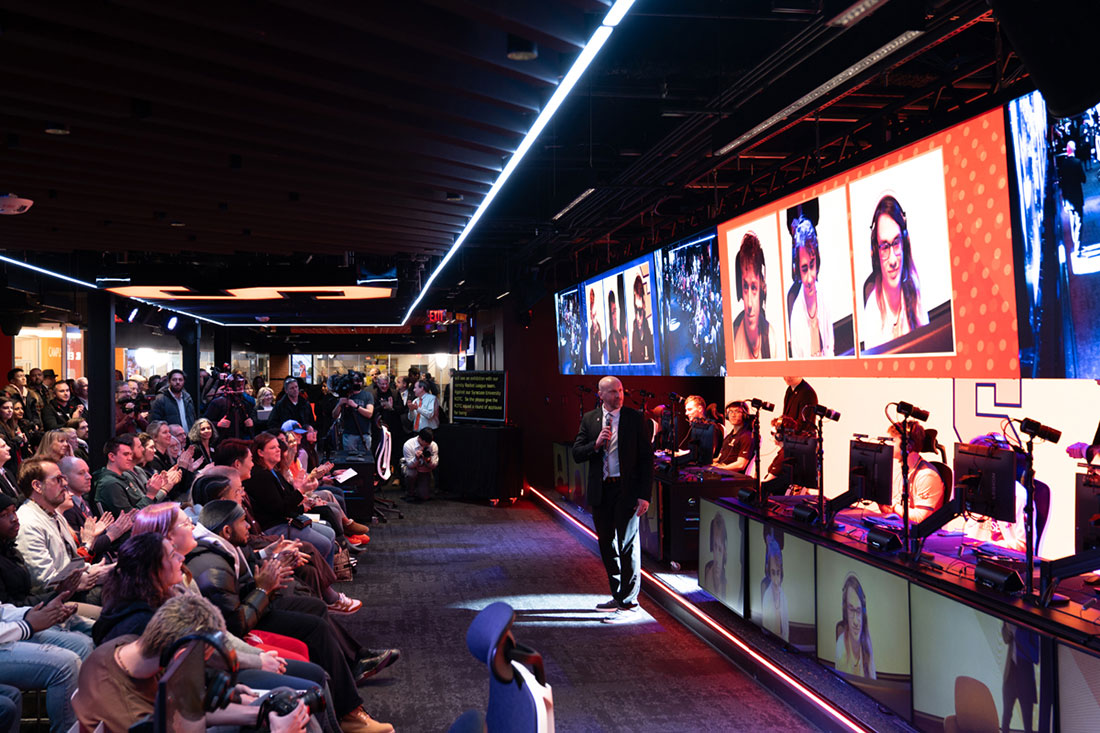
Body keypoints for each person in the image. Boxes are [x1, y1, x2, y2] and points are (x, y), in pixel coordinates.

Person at [187, 501, 395, 732]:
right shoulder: (211, 567)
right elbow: (236, 624)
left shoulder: (224, 544)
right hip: (247, 624)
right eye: (242, 521)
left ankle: (355, 662)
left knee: (315, 607)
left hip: (254, 605)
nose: (247, 525)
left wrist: (274, 566)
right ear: (227, 530)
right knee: (314, 627)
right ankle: (350, 713)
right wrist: (264, 589)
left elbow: (250, 570)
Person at [74, 593, 319, 733]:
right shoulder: (134, 719)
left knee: (283, 700)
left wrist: (259, 713)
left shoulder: (127, 647)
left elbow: (183, 710)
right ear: (181, 655)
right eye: (202, 660)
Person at [573, 376, 653, 622]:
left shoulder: (634, 418)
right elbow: (577, 453)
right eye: (612, 392)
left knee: (627, 544)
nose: (618, 396)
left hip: (626, 490)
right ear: (600, 394)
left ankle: (629, 603)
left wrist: (644, 495)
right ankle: (618, 595)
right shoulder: (590, 419)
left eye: (620, 391)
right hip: (602, 490)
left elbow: (646, 459)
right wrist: (595, 445)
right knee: (606, 543)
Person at [862, 195, 928, 350]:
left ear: (904, 243)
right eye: (885, 247)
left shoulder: (915, 291)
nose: (892, 260)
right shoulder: (872, 312)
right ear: (876, 253)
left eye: (896, 243)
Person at [878, 422, 944, 523]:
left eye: (893, 440)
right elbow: (889, 510)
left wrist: (894, 507)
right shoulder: (900, 470)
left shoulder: (927, 476)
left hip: (920, 535)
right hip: (899, 526)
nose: (888, 444)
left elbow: (919, 519)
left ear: (908, 445)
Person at [788, 217, 834, 358]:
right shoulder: (796, 315)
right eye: (804, 269)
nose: (809, 278)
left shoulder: (824, 297)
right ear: (797, 270)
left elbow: (831, 350)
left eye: (812, 265)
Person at [732, 232, 779, 360]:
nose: (749, 304)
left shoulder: (771, 339)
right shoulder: (733, 337)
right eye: (745, 287)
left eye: (754, 288)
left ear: (762, 289)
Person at [835, 573, 875, 679]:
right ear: (845, 612)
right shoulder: (841, 645)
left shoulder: (867, 643)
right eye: (851, 610)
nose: (856, 622)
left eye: (858, 611)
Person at [333, 374, 373, 454]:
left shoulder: (367, 395)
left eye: (359, 381)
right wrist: (340, 404)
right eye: (355, 381)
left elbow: (369, 413)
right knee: (349, 461)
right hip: (349, 435)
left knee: (365, 462)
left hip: (364, 434)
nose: (357, 383)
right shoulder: (345, 395)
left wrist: (356, 406)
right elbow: (334, 415)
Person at [761, 536, 789, 641]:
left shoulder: (784, 598)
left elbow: (786, 633)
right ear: (769, 573)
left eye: (778, 572)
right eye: (773, 573)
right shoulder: (766, 596)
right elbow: (765, 631)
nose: (776, 580)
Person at [715, 401, 754, 473]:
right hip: (723, 472)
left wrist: (720, 469)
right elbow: (719, 458)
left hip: (733, 477)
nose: (733, 415)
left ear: (744, 415)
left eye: (737, 411)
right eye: (730, 412)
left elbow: (741, 465)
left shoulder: (747, 436)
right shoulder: (729, 436)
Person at [402, 428, 438, 502]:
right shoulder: (408, 445)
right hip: (411, 467)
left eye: (429, 443)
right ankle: (409, 492)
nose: (427, 445)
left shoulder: (433, 445)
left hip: (424, 470)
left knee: (424, 496)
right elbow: (410, 465)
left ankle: (420, 488)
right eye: (425, 443)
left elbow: (434, 465)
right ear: (420, 438)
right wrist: (416, 458)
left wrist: (428, 460)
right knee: (411, 474)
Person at [683, 395, 720, 466]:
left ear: (700, 409)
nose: (686, 413)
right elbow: (697, 450)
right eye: (686, 410)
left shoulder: (710, 427)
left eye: (689, 409)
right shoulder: (696, 427)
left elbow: (708, 454)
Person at [629, 274, 655, 363]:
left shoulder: (641, 298)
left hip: (643, 322)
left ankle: (650, 358)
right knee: (638, 347)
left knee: (648, 341)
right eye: (638, 287)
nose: (640, 289)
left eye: (641, 287)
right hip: (638, 323)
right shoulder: (636, 297)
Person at [701, 511, 726, 599]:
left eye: (720, 549)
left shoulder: (728, 582)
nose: (717, 557)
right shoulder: (708, 570)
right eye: (715, 546)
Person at [607, 290, 627, 364]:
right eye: (612, 313)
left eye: (615, 311)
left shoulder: (622, 338)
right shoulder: (609, 340)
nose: (615, 316)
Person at [587, 286, 604, 365]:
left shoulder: (600, 329)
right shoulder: (590, 330)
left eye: (594, 314)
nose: (593, 317)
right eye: (591, 314)